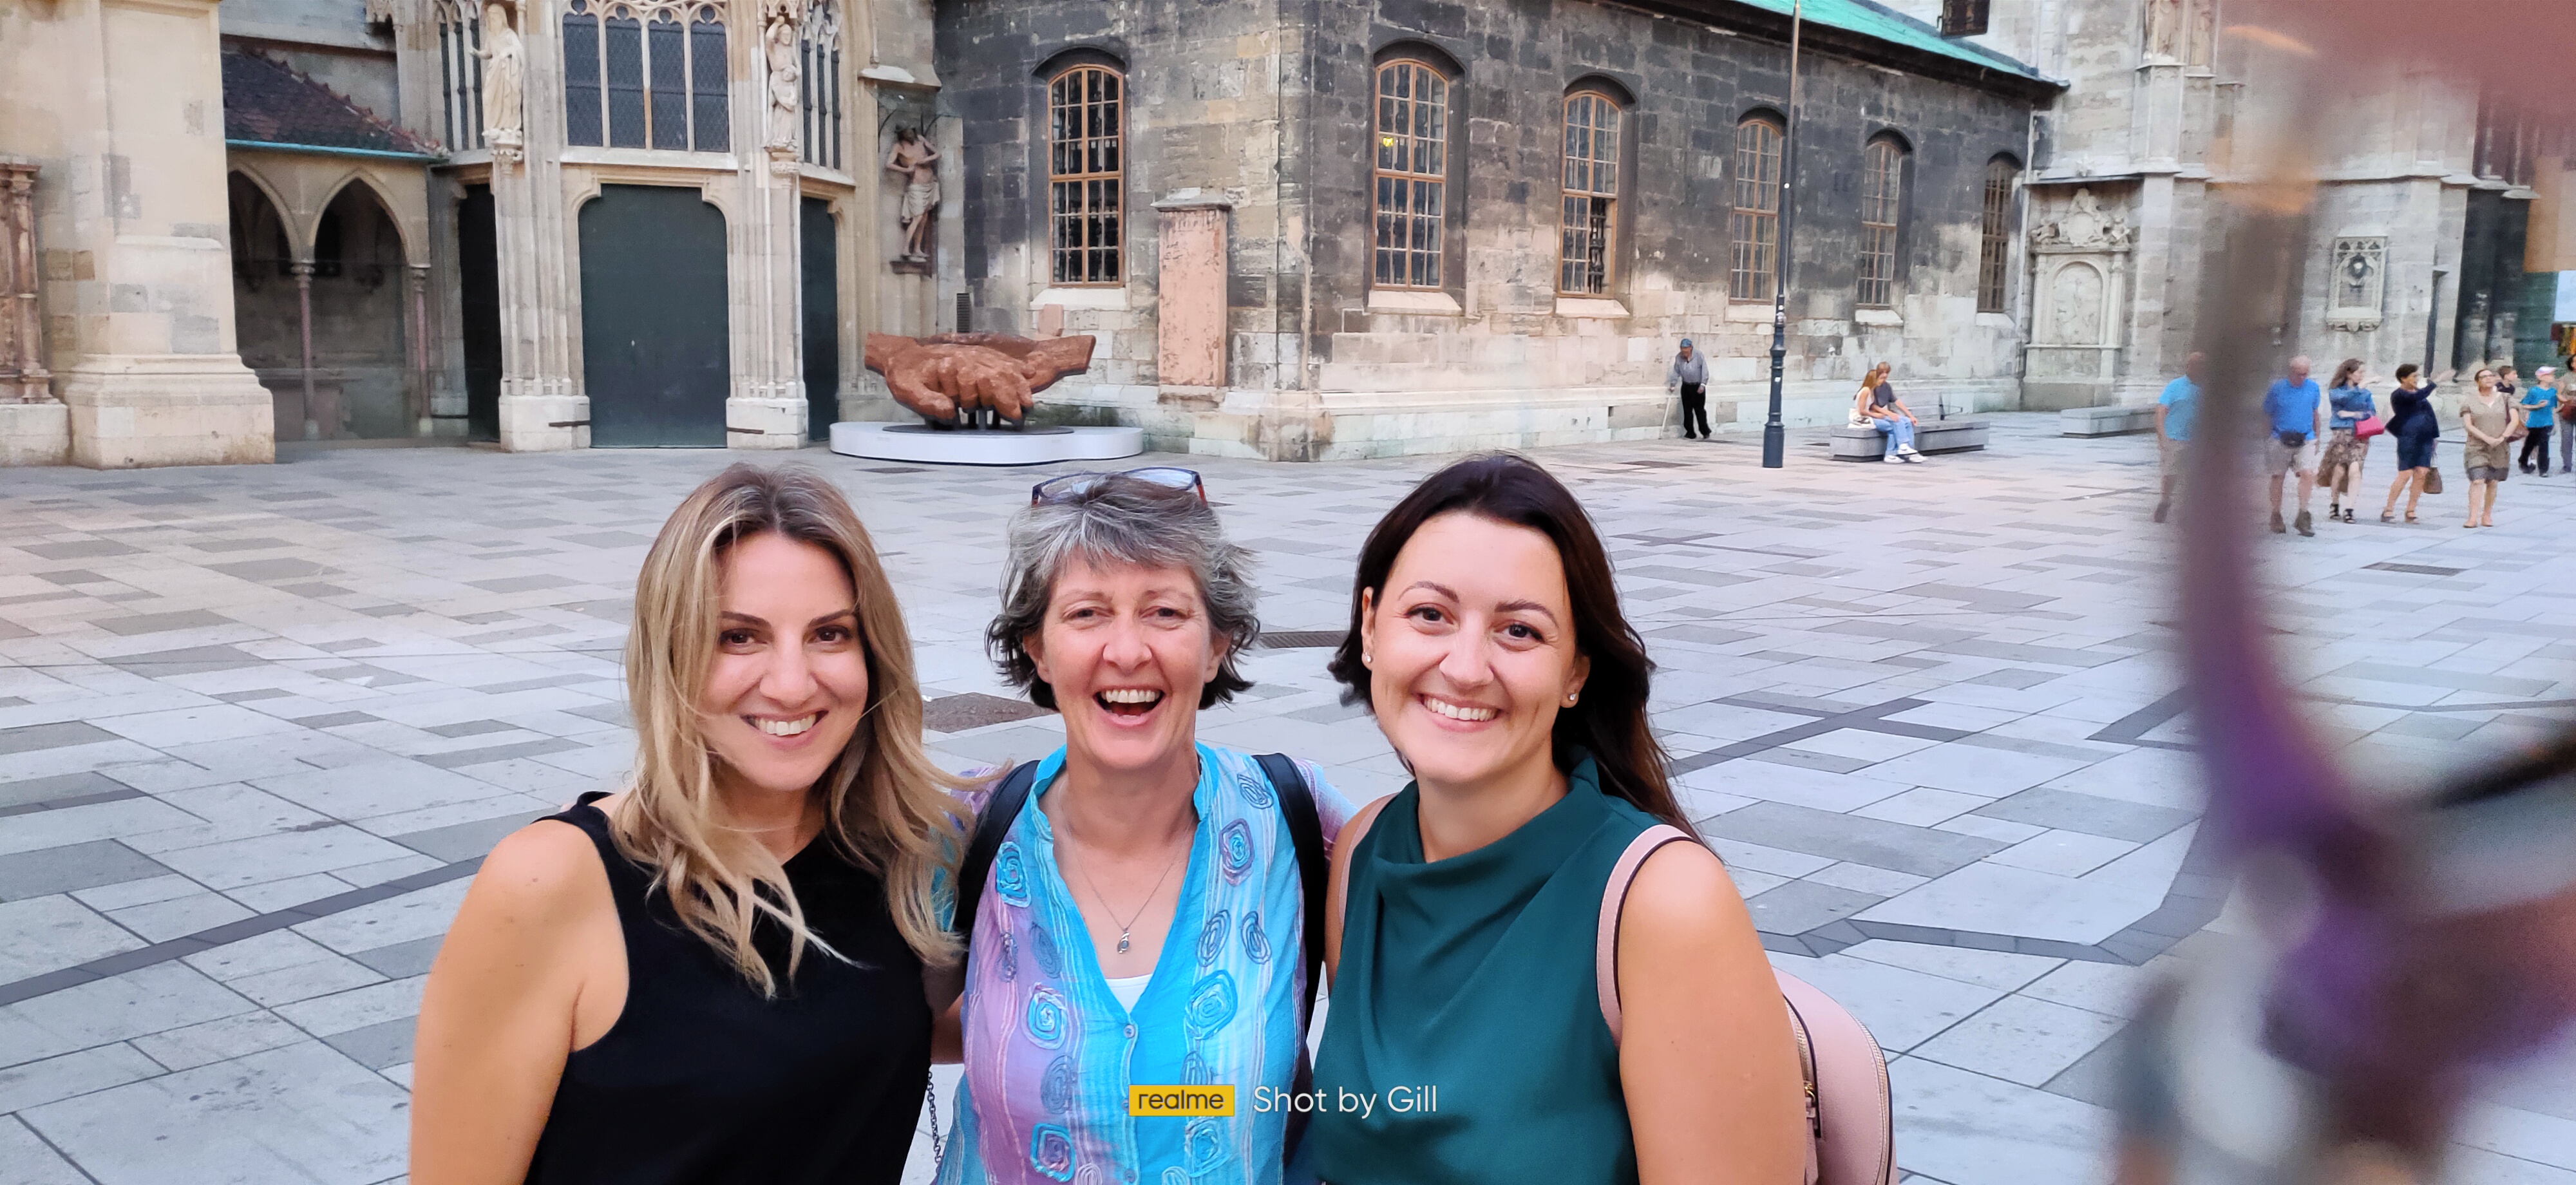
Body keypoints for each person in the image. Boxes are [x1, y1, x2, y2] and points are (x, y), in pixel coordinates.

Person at [411, 464, 965, 1185]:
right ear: (672, 653)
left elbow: (1036, 1043)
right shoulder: (554, 881)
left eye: (829, 633)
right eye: (738, 637)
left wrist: (1164, 1098)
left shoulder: (903, 855)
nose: (793, 682)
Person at [1309, 454, 1805, 1185]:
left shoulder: (1663, 903)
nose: (1467, 666)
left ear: (1576, 672)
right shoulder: (1361, 852)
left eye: (1519, 631)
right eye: (1429, 615)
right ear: (1371, 625)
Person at [937, 469, 1351, 1185]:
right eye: (1087, 613)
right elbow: (869, 1033)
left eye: (1164, 612)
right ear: (1036, 647)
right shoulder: (970, 835)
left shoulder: (1296, 817)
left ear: (1218, 644)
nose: (1127, 652)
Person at [2262, 355, 2325, 536]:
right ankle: (2276, 514)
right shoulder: (2277, 389)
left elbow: (2315, 414)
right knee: (2277, 476)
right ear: (2291, 372)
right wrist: (2266, 439)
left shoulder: (2313, 388)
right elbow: (2267, 414)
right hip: (2279, 437)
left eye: (2306, 374)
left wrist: (2317, 437)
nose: (2302, 378)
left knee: (2307, 474)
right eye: (2299, 374)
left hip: (2305, 438)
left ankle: (2303, 515)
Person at [2379, 363, 2440, 524]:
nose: (2416, 379)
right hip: (2408, 438)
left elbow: (2430, 415)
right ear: (2403, 378)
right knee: (2405, 473)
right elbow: (2416, 397)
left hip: (2425, 438)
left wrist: (2435, 436)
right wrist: (2435, 382)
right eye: (2413, 376)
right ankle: (2388, 509)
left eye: (2417, 376)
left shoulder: (2419, 395)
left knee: (2421, 473)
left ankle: (2411, 510)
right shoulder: (2399, 395)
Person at [2460, 366, 2519, 528]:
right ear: (2478, 381)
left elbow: (2514, 421)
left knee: (2492, 482)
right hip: (2476, 446)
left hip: (2500, 446)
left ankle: (2487, 514)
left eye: (2490, 376)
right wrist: (2486, 438)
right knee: (2477, 480)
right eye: (2483, 376)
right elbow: (2468, 425)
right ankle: (2472, 517)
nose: (2488, 378)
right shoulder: (2470, 400)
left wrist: (2502, 438)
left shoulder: (2506, 398)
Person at [2318, 357, 2375, 524]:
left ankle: (2350, 509)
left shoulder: (2365, 393)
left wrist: (2353, 414)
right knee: (2340, 471)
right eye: (2360, 373)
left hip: (2360, 435)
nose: (2362, 376)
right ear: (2349, 374)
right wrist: (2360, 389)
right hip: (2341, 435)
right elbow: (2340, 402)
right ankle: (2334, 502)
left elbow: (2371, 413)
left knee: (2355, 471)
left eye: (2364, 373)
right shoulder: (2336, 391)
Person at [2153, 352, 2204, 523]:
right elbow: (2161, 411)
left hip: (2197, 440)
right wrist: (2162, 436)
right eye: (2193, 365)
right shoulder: (2175, 386)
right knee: (2170, 473)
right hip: (2175, 437)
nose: (2197, 369)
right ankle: (2165, 500)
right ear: (2188, 367)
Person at [1855, 361, 1924, 463]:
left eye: (1886, 374)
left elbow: (1896, 401)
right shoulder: (1867, 390)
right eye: (1881, 375)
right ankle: (1899, 448)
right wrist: (1887, 414)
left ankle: (1908, 451)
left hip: (1879, 415)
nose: (1884, 377)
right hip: (1869, 418)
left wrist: (1910, 416)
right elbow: (1869, 408)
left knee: (1906, 422)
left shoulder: (1881, 387)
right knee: (1896, 423)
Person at [1665, 339, 1710, 441]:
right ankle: (1690, 432)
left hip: (1697, 386)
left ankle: (1705, 431)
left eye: (1686, 349)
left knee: (1699, 410)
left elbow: (1705, 370)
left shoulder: (1699, 355)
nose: (1684, 351)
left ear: (1691, 347)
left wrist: (1703, 384)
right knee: (1687, 410)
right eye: (1682, 349)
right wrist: (1673, 384)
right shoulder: (1679, 357)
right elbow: (1676, 371)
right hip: (1686, 386)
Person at [2517, 366, 2557, 474]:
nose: (2552, 377)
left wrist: (2554, 422)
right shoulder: (2533, 391)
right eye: (2549, 375)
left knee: (2544, 445)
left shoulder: (2553, 391)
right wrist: (2537, 406)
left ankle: (2543, 469)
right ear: (2541, 377)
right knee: (2530, 444)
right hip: (2534, 423)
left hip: (2547, 422)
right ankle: (2523, 462)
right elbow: (2524, 405)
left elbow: (2553, 408)